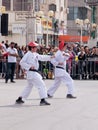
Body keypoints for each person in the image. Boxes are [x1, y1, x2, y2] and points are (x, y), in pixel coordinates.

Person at [16, 41, 51, 106]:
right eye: (35, 47)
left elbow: (42, 57)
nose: (36, 48)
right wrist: (29, 67)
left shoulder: (35, 54)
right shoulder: (28, 54)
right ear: (32, 48)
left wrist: (50, 57)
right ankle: (43, 100)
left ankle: (20, 98)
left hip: (32, 73)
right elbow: (21, 62)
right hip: (32, 73)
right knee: (41, 85)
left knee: (29, 87)